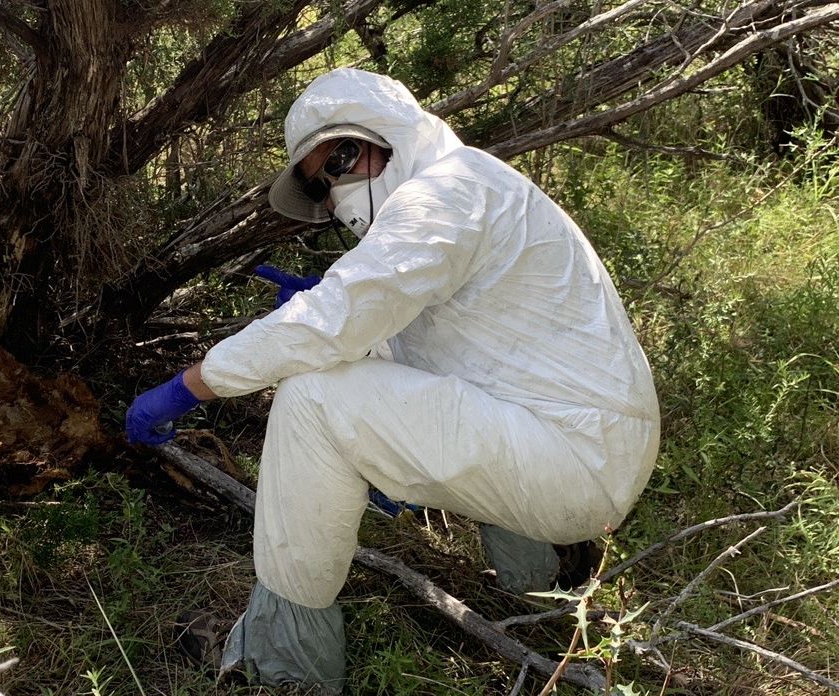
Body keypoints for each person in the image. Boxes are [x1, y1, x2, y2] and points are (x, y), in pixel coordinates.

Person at [125, 68, 660, 693]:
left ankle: (279, 666)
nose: (337, 191)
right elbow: (419, 346)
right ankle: (547, 573)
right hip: (581, 449)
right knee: (348, 381)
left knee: (312, 400)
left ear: (395, 137)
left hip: (572, 458)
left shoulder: (450, 189)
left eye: (344, 157)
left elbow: (337, 323)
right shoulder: (478, 188)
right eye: (322, 184)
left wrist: (189, 384)